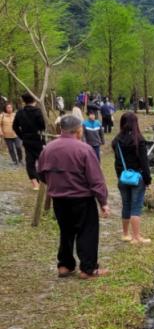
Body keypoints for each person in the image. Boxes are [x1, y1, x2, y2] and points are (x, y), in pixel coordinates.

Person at [36, 114, 110, 278]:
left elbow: (40, 173)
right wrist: (103, 201)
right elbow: (95, 179)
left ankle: (65, 265)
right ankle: (88, 268)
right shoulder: (84, 149)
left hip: (59, 199)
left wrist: (55, 184)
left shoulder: (48, 148)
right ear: (78, 129)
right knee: (87, 232)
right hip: (81, 198)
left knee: (66, 231)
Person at [111, 112, 152, 244]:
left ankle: (125, 234)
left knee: (126, 206)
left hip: (123, 178)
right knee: (136, 207)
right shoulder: (139, 140)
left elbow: (117, 162)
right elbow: (144, 163)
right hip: (137, 178)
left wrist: (120, 176)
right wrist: (147, 180)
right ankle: (136, 237)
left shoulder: (116, 141)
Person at [12, 93, 46, 190]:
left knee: (30, 162)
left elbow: (14, 127)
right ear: (34, 100)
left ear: (24, 101)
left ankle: (36, 184)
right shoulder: (37, 111)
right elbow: (43, 126)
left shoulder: (20, 112)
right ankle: (44, 181)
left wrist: (22, 136)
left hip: (27, 140)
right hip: (38, 139)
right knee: (42, 160)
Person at [2, 100, 24, 166]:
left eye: (10, 107)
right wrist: (0, 132)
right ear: (5, 108)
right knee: (11, 149)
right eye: (8, 107)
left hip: (16, 134)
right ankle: (14, 161)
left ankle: (20, 160)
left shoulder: (16, 115)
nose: (9, 109)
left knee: (18, 147)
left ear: (12, 108)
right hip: (7, 136)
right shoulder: (2, 116)